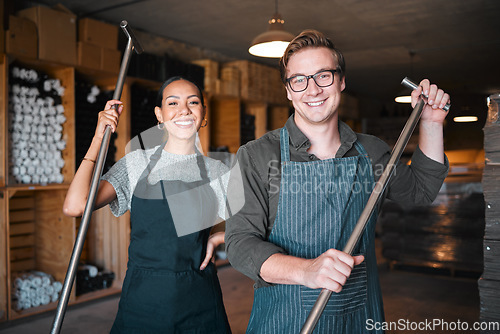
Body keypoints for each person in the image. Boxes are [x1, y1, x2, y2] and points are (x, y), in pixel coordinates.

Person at [225, 29, 450, 333]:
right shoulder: (256, 156)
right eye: (299, 80)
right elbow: (240, 244)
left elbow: (421, 190)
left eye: (323, 76)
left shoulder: (370, 151)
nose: (313, 89)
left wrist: (432, 124)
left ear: (341, 81)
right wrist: (307, 271)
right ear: (288, 90)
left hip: (359, 318)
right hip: (284, 320)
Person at [63, 77, 232, 333]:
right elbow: (75, 206)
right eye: (172, 102)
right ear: (159, 114)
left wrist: (221, 236)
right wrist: (99, 137)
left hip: (199, 301)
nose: (184, 110)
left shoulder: (217, 171)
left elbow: (263, 221)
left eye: (193, 102)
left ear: (202, 113)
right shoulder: (136, 164)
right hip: (143, 300)